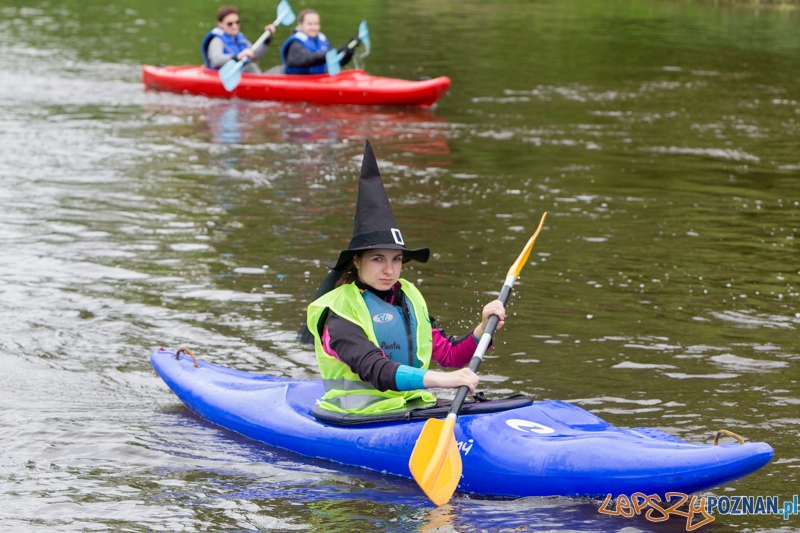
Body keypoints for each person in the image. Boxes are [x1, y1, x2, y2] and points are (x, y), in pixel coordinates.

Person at [306, 141, 506, 415]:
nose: (389, 270)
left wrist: (482, 329)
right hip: (359, 419)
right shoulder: (338, 314)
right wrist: (444, 380)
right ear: (357, 261)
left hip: (412, 409)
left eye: (396, 259)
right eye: (378, 259)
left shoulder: (408, 297)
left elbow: (449, 354)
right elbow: (376, 369)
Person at [201, 6, 277, 74]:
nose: (234, 26)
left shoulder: (240, 38)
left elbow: (257, 55)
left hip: (243, 73)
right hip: (225, 75)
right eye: (230, 23)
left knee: (256, 67)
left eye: (237, 22)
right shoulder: (217, 40)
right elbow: (216, 60)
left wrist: (268, 38)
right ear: (220, 24)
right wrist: (237, 57)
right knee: (251, 67)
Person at [280, 9, 357, 75]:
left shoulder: (321, 39)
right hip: (298, 81)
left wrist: (348, 49)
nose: (314, 27)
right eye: (310, 24)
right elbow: (306, 59)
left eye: (316, 24)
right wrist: (330, 54)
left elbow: (337, 61)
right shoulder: (295, 43)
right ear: (300, 25)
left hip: (318, 80)